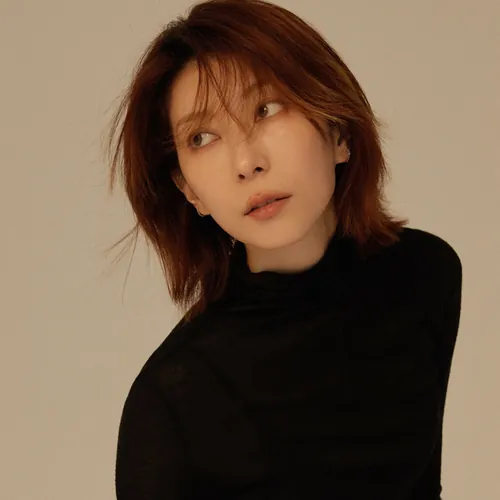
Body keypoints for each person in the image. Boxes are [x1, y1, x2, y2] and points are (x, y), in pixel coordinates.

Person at [106, 0, 463, 498]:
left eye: (265, 109)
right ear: (189, 191)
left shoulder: (423, 274)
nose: (247, 162)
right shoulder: (174, 399)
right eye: (203, 137)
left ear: (338, 129)